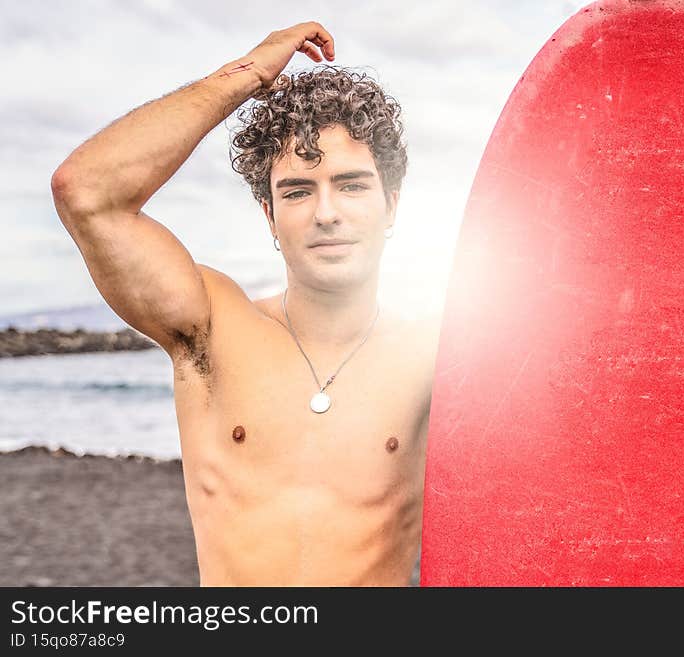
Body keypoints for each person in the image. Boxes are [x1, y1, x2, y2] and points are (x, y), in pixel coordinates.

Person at [50, 22, 440, 586]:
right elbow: (85, 193)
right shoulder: (212, 323)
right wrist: (247, 75)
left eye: (352, 185)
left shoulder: (435, 357)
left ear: (392, 207)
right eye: (298, 191)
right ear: (269, 217)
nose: (327, 212)